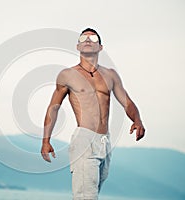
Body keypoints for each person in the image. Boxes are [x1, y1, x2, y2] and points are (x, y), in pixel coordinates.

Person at [41, 28, 145, 200]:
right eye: (84, 37)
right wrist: (46, 140)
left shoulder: (111, 75)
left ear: (100, 47)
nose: (88, 40)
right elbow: (54, 107)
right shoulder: (68, 75)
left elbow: (126, 102)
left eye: (93, 38)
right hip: (84, 139)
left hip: (105, 142)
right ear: (78, 46)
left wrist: (137, 120)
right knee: (86, 196)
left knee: (93, 192)